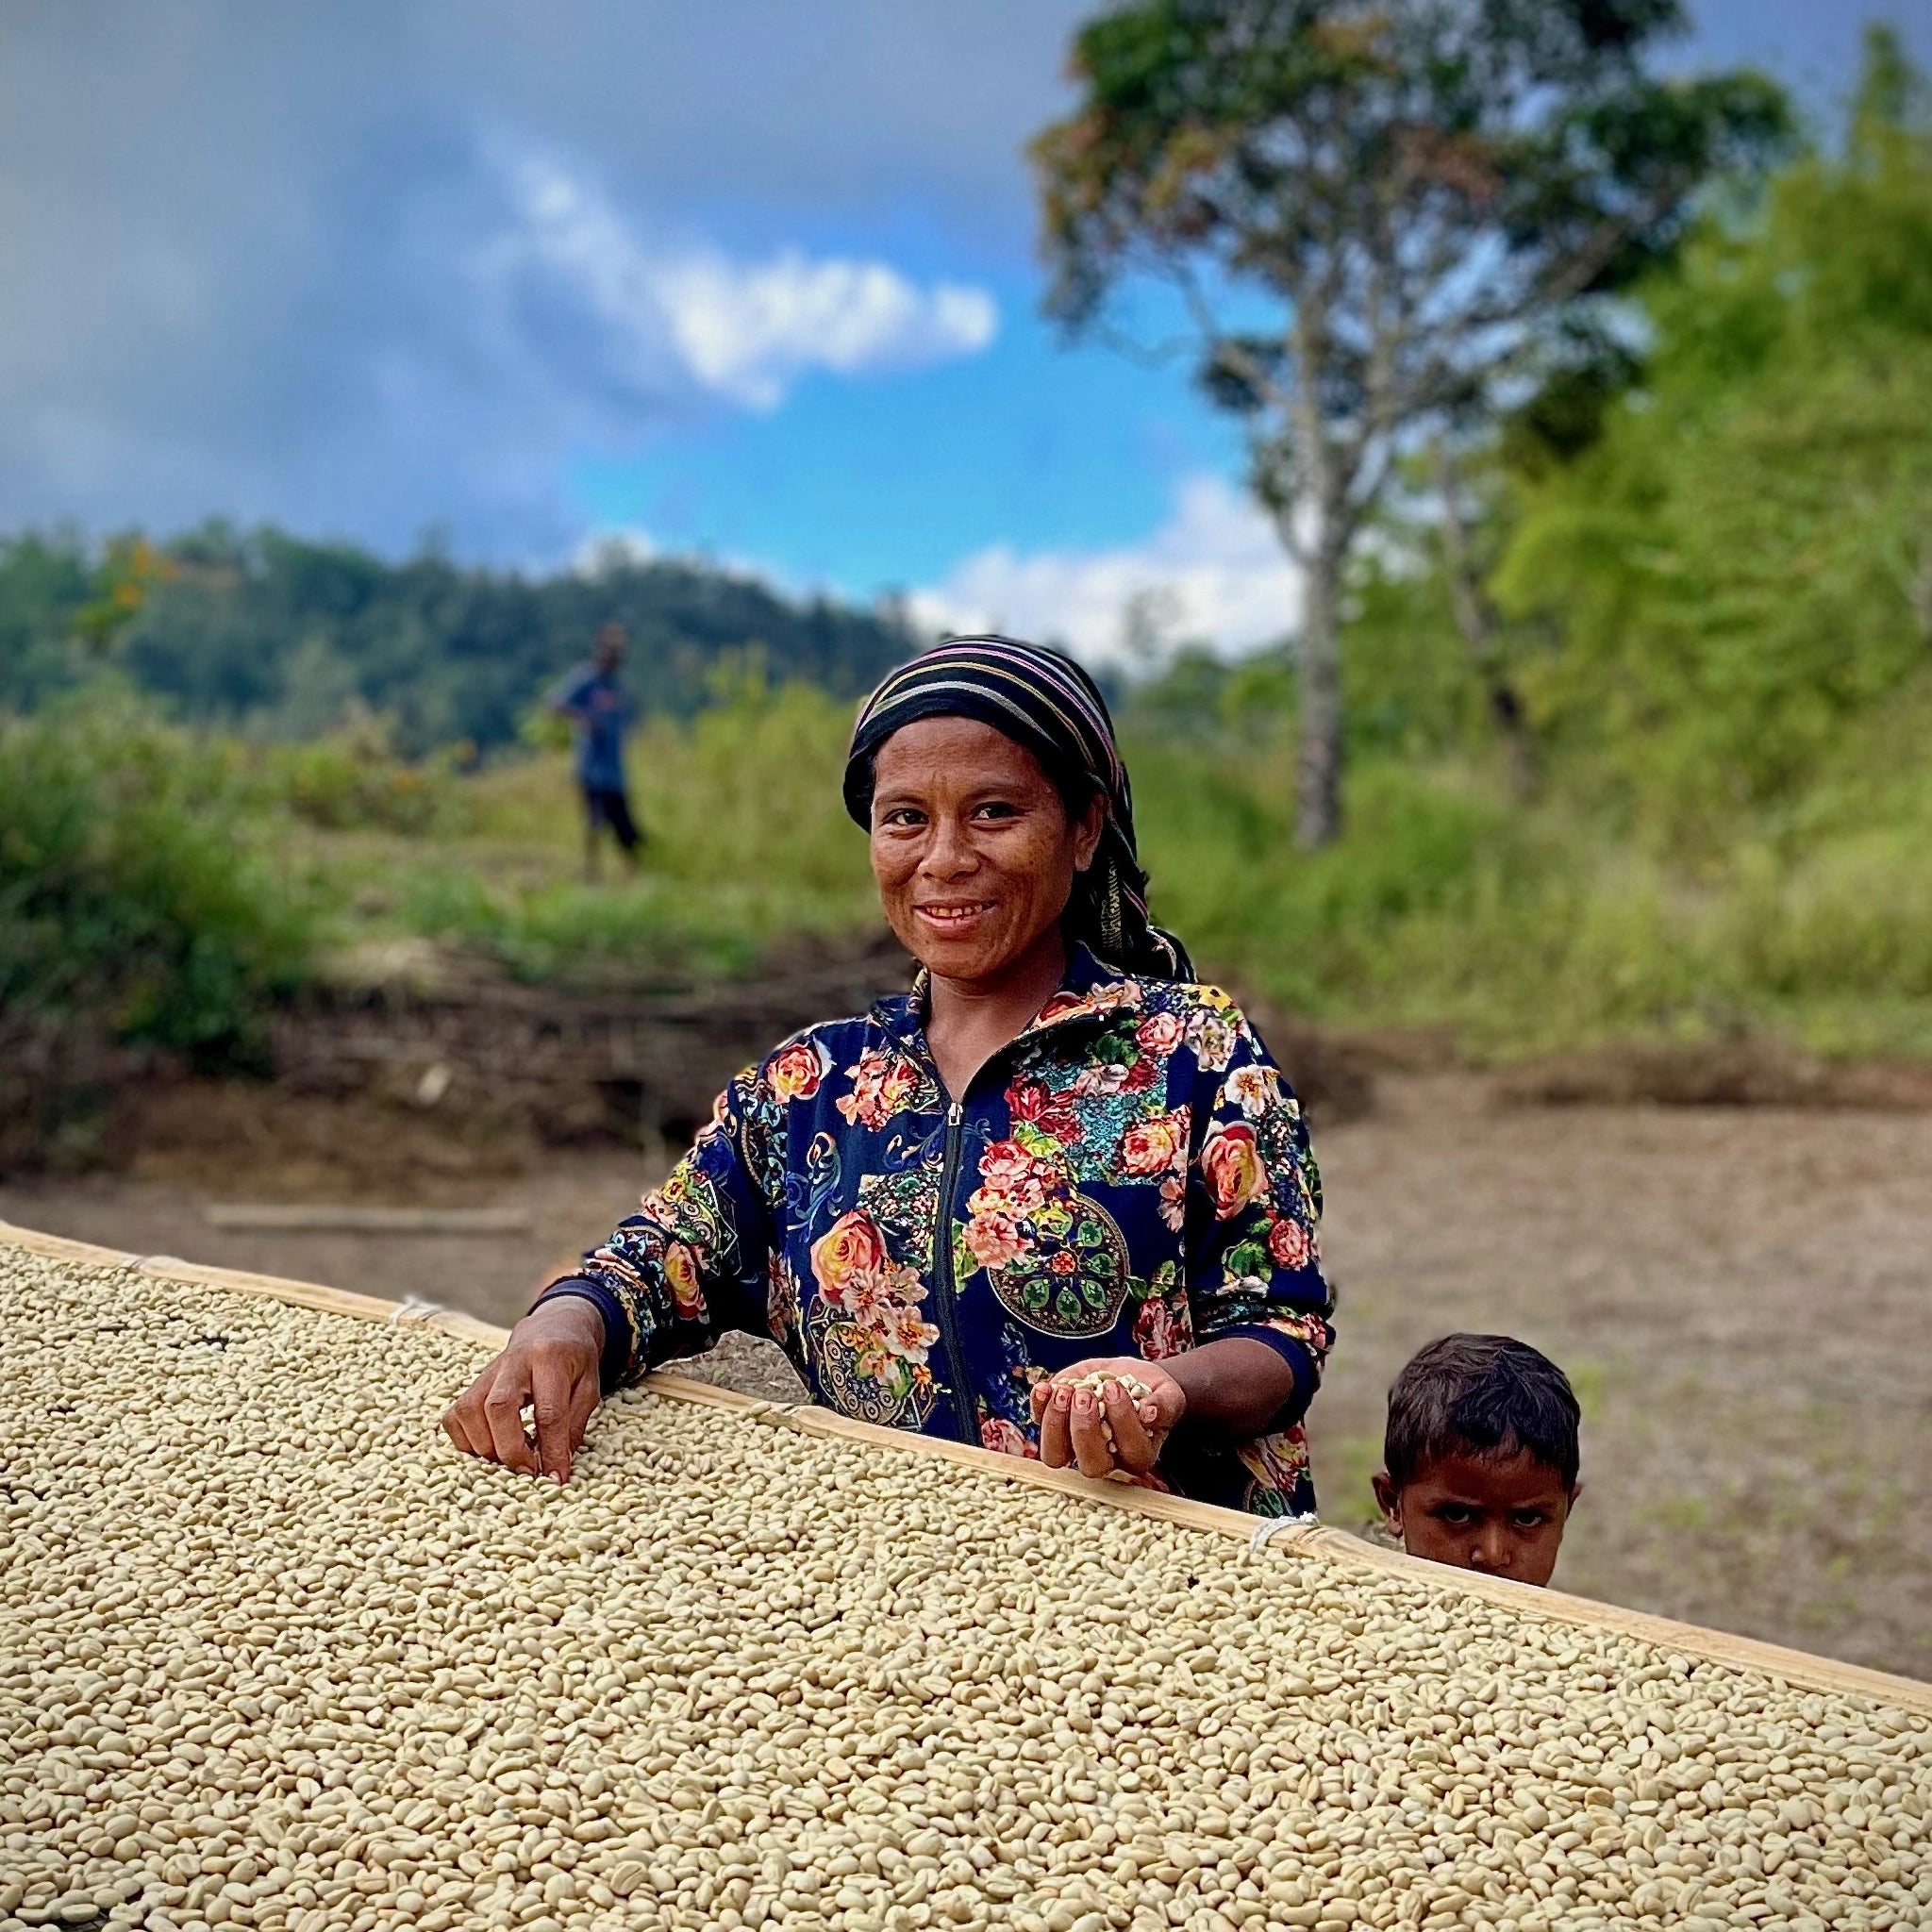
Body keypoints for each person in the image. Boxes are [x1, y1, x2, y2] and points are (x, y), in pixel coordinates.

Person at [446, 636, 1335, 1514]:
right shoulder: (812, 1086)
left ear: (1083, 828)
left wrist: (1166, 1387)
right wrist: (568, 1322)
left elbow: (1283, 1332)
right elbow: (661, 1258)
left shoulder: (1195, 1055)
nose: (943, 858)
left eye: (994, 812)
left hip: (1170, 1572)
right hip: (898, 1573)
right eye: (905, 817)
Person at [1371, 1334, 1581, 1587]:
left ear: (1566, 1509)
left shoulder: (1573, 1625)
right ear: (1394, 1505)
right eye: (1458, 1515)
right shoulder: (1350, 1613)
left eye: (1526, 1519)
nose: (1493, 1555)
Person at [549, 622, 641, 877]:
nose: (614, 658)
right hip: (592, 767)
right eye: (611, 651)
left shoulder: (616, 686)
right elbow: (555, 704)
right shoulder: (586, 679)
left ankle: (633, 872)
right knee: (595, 821)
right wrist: (584, 718)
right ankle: (592, 871)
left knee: (624, 825)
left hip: (615, 770)